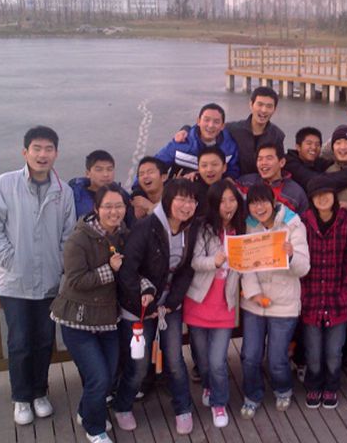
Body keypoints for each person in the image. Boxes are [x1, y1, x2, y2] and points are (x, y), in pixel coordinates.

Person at [0, 125, 76, 426]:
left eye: (48, 149)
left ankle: (40, 392)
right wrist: (10, 260)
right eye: (37, 148)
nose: (42, 154)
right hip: (14, 282)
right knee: (20, 340)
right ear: (25, 152)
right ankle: (21, 397)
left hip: (49, 281)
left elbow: (68, 236)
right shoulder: (4, 184)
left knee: (44, 339)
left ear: (56, 154)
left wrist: (58, 266)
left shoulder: (64, 191)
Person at [113, 179, 199, 435]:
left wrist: (172, 303)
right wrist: (144, 300)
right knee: (138, 364)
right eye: (181, 199)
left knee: (174, 359)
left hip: (168, 307)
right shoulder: (146, 228)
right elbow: (128, 270)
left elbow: (186, 270)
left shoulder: (190, 229)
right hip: (138, 307)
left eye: (192, 200)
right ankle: (122, 406)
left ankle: (183, 408)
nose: (186, 206)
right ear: (168, 200)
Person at [50, 183, 129, 443]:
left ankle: (86, 411)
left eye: (119, 206)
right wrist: (109, 270)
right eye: (108, 206)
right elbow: (75, 280)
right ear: (96, 208)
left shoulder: (123, 235)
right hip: (78, 320)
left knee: (108, 376)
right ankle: (94, 429)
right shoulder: (79, 239)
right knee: (98, 377)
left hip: (107, 319)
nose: (114, 212)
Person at [239, 184, 310, 419]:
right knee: (250, 356)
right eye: (253, 203)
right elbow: (245, 266)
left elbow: (303, 268)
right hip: (254, 303)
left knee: (277, 359)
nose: (259, 208)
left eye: (263, 202)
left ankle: (283, 389)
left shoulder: (293, 224)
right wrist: (254, 294)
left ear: (274, 202)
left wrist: (291, 256)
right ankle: (252, 395)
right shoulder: (249, 225)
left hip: (284, 303)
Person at [183, 180, 245, 428]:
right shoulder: (204, 228)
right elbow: (195, 261)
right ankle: (208, 386)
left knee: (218, 361)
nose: (228, 205)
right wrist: (215, 261)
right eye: (222, 201)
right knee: (204, 361)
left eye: (232, 200)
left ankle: (220, 403)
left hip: (225, 305)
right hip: (198, 302)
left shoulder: (242, 230)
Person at [300, 176, 347, 410]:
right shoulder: (303, 222)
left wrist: (345, 293)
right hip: (311, 298)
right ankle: (314, 385)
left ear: (334, 196)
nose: (322, 198)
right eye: (316, 195)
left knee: (334, 351)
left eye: (326, 193)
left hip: (337, 299)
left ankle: (332, 386)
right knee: (313, 351)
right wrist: (303, 295)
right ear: (311, 199)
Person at [159, 103, 240, 180]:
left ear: (222, 126)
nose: (211, 125)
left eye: (216, 122)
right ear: (198, 121)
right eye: (206, 120)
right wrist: (170, 182)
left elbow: (233, 171)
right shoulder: (181, 143)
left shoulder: (229, 147)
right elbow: (157, 165)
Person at [226, 86, 285, 176]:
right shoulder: (232, 130)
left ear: (274, 109)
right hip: (235, 180)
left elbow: (278, 165)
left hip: (263, 181)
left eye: (269, 106)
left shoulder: (277, 135)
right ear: (251, 105)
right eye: (260, 104)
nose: (264, 110)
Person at [285, 126, 347, 192]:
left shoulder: (317, 162)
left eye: (317, 144)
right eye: (309, 143)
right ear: (298, 147)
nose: (314, 147)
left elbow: (338, 162)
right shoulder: (288, 163)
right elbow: (316, 181)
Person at [238, 142, 309, 215]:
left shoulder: (295, 193)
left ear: (282, 162)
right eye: (260, 159)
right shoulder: (245, 183)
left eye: (269, 158)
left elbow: (306, 220)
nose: (263, 163)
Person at [68, 149, 135, 226]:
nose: (105, 174)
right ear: (87, 173)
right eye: (99, 170)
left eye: (109, 169)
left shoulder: (122, 195)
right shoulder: (74, 195)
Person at [193, 147, 228, 216]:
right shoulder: (191, 190)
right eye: (204, 165)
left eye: (214, 164)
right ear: (198, 168)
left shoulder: (230, 189)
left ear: (224, 167)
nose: (209, 170)